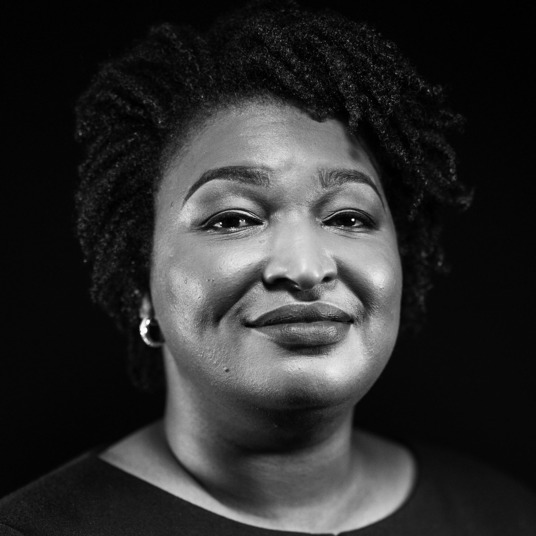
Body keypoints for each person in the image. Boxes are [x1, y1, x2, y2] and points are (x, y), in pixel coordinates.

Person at [1, 1, 535, 534]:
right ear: (142, 282)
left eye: (348, 217)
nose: (304, 268)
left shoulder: (505, 517)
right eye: (233, 219)